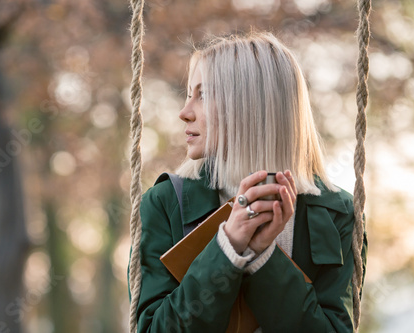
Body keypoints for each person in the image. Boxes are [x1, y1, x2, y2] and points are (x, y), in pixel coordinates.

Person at [130, 31, 367, 332]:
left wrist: (264, 256)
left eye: (202, 95)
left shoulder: (338, 212)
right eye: (188, 94)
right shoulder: (164, 202)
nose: (184, 113)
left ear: (249, 105)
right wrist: (228, 247)